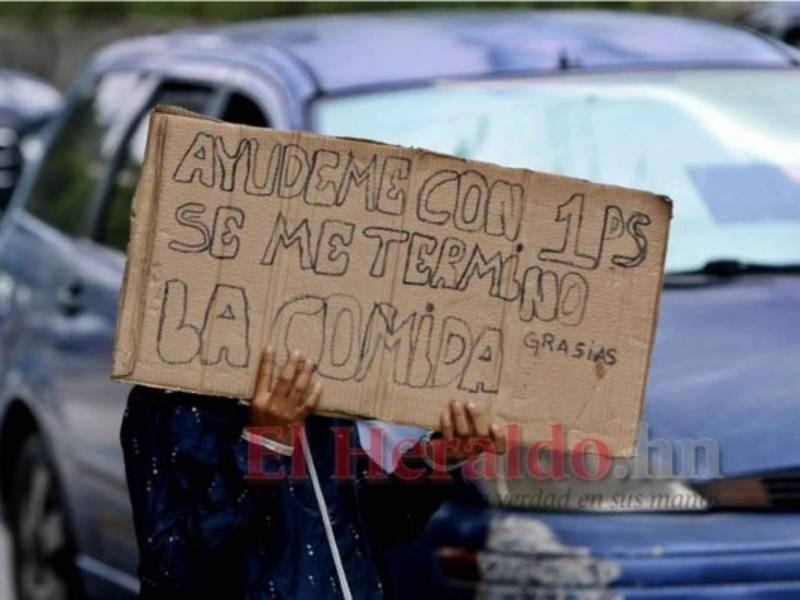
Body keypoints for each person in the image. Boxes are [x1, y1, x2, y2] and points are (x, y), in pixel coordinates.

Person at [121, 345, 507, 599]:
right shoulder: (169, 400)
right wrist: (263, 446)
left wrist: (432, 461)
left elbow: (365, 529)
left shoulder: (322, 393)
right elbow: (170, 570)